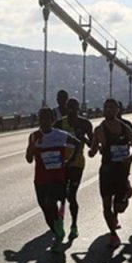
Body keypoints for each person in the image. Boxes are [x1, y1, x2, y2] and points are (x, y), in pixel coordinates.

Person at [27, 107, 82, 252]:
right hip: (40, 180)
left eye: (47, 118)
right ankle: (57, 230)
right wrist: (32, 146)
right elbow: (28, 159)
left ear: (52, 120)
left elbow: (78, 143)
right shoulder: (34, 136)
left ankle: (58, 230)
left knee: (49, 202)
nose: (44, 121)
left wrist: (71, 161)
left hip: (57, 178)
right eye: (41, 117)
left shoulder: (61, 135)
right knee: (45, 210)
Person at [88, 98, 132, 248]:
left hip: (121, 172)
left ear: (117, 110)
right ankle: (113, 234)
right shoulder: (99, 130)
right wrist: (92, 151)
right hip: (106, 172)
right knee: (106, 204)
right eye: (106, 108)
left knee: (119, 206)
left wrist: (130, 159)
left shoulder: (125, 128)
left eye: (112, 108)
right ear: (103, 110)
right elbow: (92, 151)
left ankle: (123, 199)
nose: (109, 110)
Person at [54, 97, 93, 240]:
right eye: (70, 109)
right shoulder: (59, 123)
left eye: (74, 109)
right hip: (62, 164)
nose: (72, 112)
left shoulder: (85, 123)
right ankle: (61, 213)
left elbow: (92, 143)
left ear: (78, 109)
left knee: (72, 195)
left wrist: (84, 139)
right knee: (61, 193)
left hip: (77, 163)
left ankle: (74, 226)